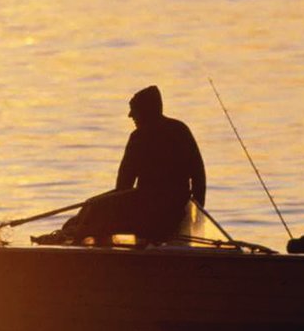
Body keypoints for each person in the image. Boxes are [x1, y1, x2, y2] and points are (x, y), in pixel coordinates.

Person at [42, 85, 206, 244]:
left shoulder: (139, 137)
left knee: (92, 209)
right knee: (92, 207)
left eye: (134, 111)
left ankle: (77, 242)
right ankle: (76, 233)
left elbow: (123, 185)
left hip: (149, 214)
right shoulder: (180, 129)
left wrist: (96, 205)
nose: (130, 115)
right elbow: (200, 176)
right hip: (174, 212)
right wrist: (195, 215)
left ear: (148, 111)